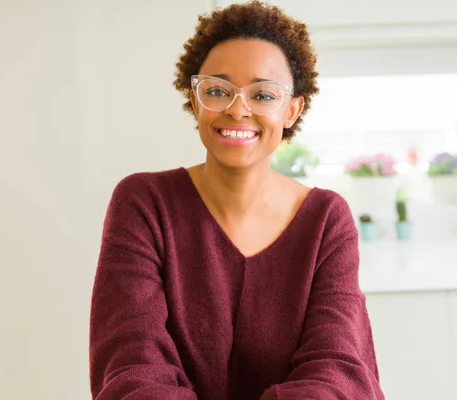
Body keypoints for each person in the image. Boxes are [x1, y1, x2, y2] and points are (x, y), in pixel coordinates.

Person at [89, 1, 384, 399]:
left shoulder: (326, 220)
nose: (237, 109)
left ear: (292, 110)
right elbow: (131, 364)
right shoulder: (143, 204)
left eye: (262, 95)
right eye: (217, 90)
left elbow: (335, 368)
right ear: (195, 101)